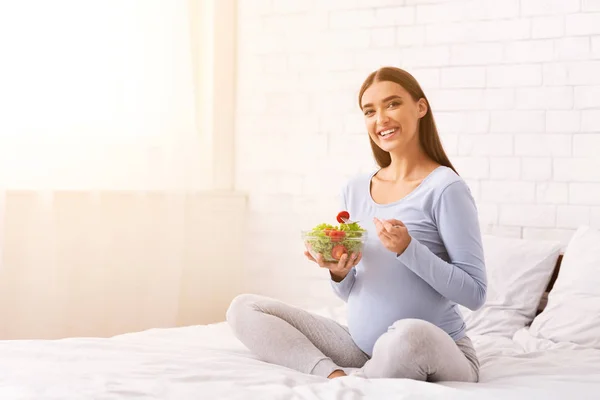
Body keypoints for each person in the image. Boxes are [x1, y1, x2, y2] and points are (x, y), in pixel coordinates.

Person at [226, 66, 487, 382]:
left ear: (420, 107)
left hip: (434, 348)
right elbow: (352, 293)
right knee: (244, 308)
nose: (381, 119)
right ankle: (335, 379)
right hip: (363, 348)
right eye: (370, 111)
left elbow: (475, 294)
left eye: (392, 104)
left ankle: (359, 385)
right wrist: (339, 271)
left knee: (410, 332)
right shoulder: (354, 189)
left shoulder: (445, 187)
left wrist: (409, 249)